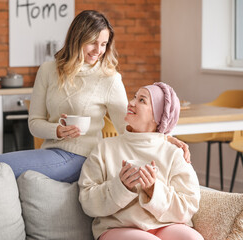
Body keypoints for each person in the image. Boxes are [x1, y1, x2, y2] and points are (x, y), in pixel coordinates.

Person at [0, 10, 190, 182]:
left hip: (84, 157)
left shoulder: (110, 78)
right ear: (77, 39)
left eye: (104, 44)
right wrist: (58, 131)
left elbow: (128, 128)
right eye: (92, 42)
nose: (98, 50)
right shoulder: (48, 70)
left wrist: (165, 138)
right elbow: (34, 123)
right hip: (52, 152)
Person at [78, 82, 203, 240]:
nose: (131, 102)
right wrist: (120, 187)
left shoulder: (174, 153)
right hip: (118, 228)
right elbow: (87, 200)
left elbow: (189, 205)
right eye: (134, 97)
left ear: (157, 116)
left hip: (165, 225)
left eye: (142, 100)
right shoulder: (104, 148)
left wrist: (153, 190)